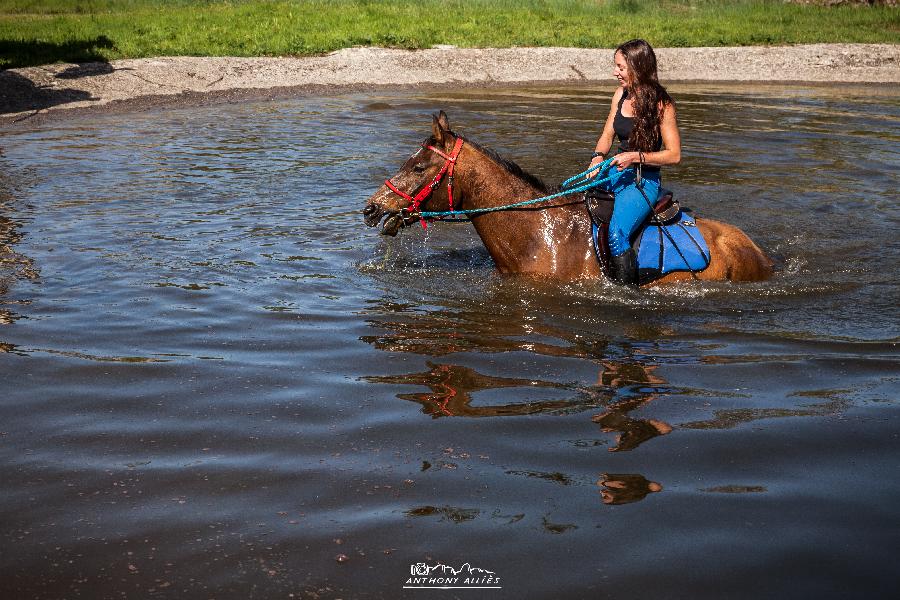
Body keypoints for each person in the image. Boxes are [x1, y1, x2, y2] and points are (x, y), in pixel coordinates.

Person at [588, 39, 681, 286]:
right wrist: (597, 157)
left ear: (637, 67)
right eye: (615, 66)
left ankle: (626, 294)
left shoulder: (663, 104)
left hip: (643, 181)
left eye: (620, 67)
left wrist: (635, 157)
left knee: (617, 234)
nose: (614, 72)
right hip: (613, 172)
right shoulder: (620, 94)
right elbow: (607, 135)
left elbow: (674, 155)